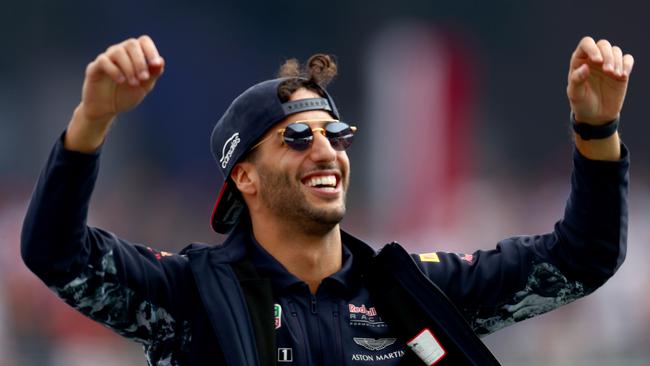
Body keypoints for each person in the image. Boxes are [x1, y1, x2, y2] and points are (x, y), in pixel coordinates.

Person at [21, 35, 632, 365]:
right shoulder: (191, 294)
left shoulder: (409, 290)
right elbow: (57, 254)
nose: (325, 151)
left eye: (334, 134)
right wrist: (92, 122)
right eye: (295, 137)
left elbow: (581, 260)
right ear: (245, 179)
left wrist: (596, 131)